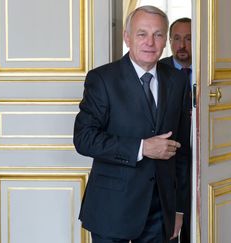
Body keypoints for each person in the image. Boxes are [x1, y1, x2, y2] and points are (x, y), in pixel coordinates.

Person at [74, 5, 191, 243]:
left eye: (158, 34)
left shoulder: (178, 81)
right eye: (142, 34)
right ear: (127, 38)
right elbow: (84, 139)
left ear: (164, 41)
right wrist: (141, 148)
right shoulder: (102, 79)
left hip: (161, 213)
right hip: (112, 209)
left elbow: (181, 153)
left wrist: (178, 210)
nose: (150, 42)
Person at [160, 17, 192, 243]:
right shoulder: (158, 70)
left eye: (189, 38)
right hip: (168, 156)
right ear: (170, 41)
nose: (182, 45)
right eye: (177, 38)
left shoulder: (209, 69)